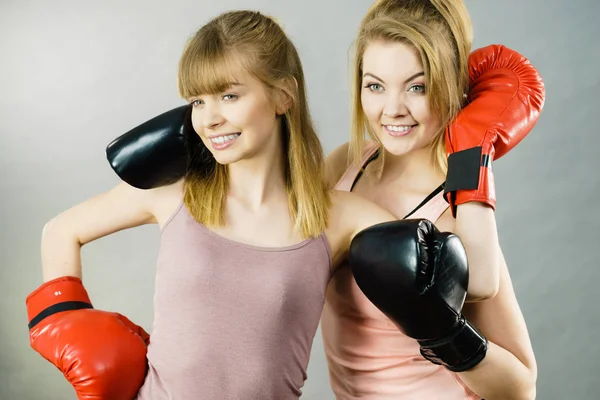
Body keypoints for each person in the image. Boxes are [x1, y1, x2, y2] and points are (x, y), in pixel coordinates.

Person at [25, 10, 486, 400]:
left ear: (283, 95)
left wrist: (473, 144)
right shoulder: (176, 193)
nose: (211, 117)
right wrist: (64, 322)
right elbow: (60, 231)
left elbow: (466, 277)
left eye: (229, 95)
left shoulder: (338, 218)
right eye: (198, 100)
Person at [320, 0, 545, 399]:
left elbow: (521, 386)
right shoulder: (346, 165)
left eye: (417, 87)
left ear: (449, 84)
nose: (392, 109)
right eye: (375, 85)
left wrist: (445, 333)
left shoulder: (454, 204)